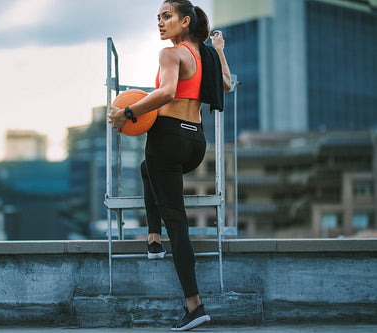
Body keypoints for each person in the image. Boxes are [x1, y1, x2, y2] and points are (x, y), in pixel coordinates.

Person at [108, 0, 231, 330]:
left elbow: (166, 92)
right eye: (158, 17)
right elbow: (226, 85)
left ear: (185, 20)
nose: (160, 23)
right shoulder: (203, 53)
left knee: (177, 223)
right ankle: (152, 239)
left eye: (167, 16)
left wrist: (127, 113)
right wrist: (218, 49)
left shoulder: (170, 54)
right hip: (195, 143)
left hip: (167, 139)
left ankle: (194, 306)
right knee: (147, 172)